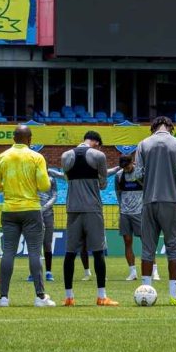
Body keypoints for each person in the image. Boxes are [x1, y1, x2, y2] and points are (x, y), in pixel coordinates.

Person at [0, 124, 55, 307]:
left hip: (9, 210)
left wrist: (7, 186)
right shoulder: (36, 157)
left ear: (13, 138)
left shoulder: (2, 157)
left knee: (8, 252)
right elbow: (45, 186)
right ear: (30, 139)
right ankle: (40, 297)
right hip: (31, 209)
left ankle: (3, 298)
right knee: (34, 252)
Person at [134, 116, 176, 306]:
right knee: (173, 249)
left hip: (149, 201)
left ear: (153, 128)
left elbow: (138, 174)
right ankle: (173, 295)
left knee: (147, 249)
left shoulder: (143, 144)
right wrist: (175, 183)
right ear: (170, 127)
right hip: (171, 201)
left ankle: (145, 292)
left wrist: (149, 183)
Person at [61, 130, 117, 307]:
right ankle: (101, 296)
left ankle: (69, 297)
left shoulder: (65, 155)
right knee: (98, 252)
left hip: (72, 209)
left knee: (70, 253)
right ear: (97, 143)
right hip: (92, 208)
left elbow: (67, 178)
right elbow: (103, 184)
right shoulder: (99, 156)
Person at [116, 152, 157, 281]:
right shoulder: (119, 175)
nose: (126, 169)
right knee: (127, 242)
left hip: (140, 212)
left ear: (132, 162)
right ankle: (132, 272)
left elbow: (149, 189)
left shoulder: (140, 174)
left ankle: (154, 271)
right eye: (123, 167)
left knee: (146, 242)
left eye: (127, 166)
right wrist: (121, 207)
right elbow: (118, 192)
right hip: (125, 213)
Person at [37, 165, 60, 284]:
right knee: (35, 244)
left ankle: (48, 272)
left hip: (48, 214)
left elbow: (55, 196)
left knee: (47, 243)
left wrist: (45, 207)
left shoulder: (51, 179)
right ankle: (34, 272)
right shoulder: (33, 177)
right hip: (34, 213)